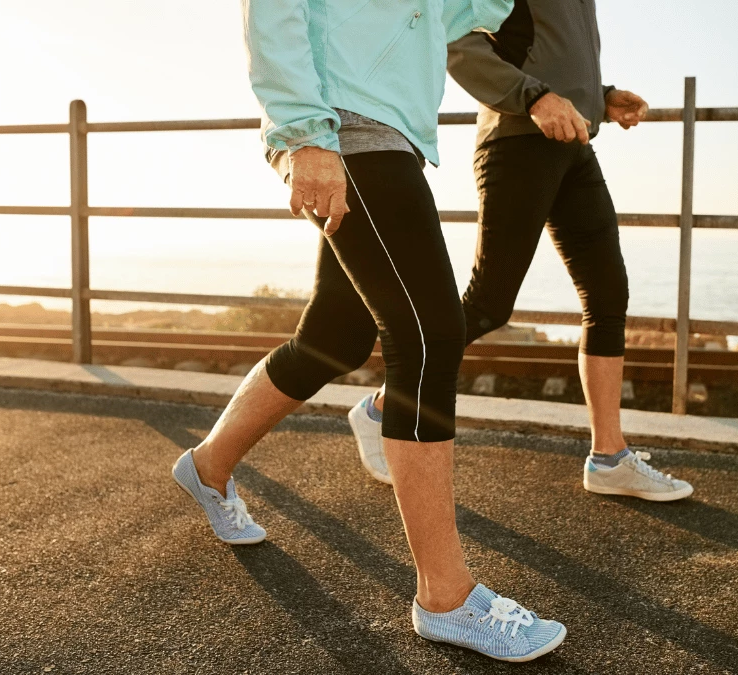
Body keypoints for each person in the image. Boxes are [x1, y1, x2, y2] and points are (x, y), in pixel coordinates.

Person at [171, 0, 567, 662]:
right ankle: (445, 595)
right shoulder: (324, 128)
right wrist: (303, 133)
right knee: (430, 334)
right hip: (342, 123)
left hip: (391, 130)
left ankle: (207, 467)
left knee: (336, 335)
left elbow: (455, 16)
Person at [347, 0, 694, 502]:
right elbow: (452, 37)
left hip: (572, 143)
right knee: (489, 302)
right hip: (517, 141)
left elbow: (545, 51)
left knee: (607, 294)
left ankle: (610, 459)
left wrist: (600, 97)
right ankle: (383, 407)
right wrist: (533, 97)